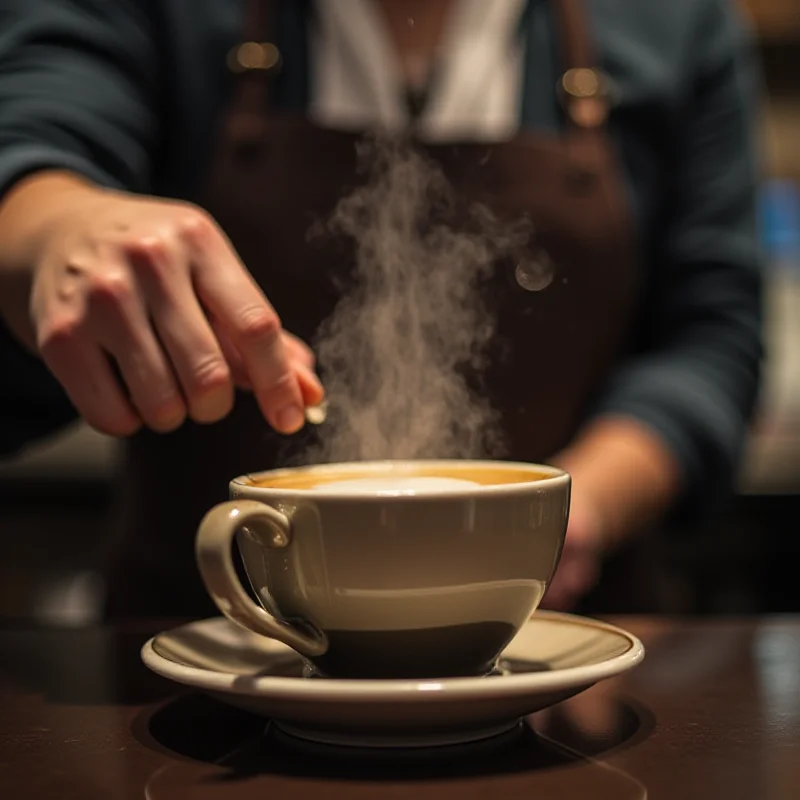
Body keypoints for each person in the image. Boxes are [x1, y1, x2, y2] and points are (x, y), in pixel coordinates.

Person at [0, 0, 763, 618]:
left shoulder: (676, 22)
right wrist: (48, 230)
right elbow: (36, 137)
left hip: (574, 660)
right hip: (190, 658)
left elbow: (712, 339)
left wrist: (574, 511)